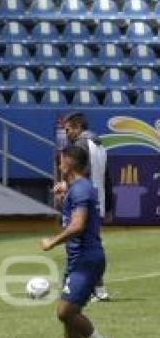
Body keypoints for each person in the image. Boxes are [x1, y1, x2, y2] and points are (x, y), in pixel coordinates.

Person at [42, 146, 115, 338]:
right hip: (76, 258)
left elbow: (78, 225)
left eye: (61, 161)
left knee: (65, 312)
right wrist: (64, 194)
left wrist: (52, 242)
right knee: (71, 313)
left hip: (87, 259)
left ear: (70, 162)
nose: (58, 164)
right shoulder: (77, 188)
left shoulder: (81, 189)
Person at [55, 112, 111, 301]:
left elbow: (78, 172)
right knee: (90, 243)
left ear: (78, 127)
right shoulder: (99, 144)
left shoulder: (80, 145)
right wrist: (108, 204)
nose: (66, 133)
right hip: (97, 198)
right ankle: (98, 289)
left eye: (68, 129)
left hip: (82, 200)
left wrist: (64, 186)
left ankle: (78, 289)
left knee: (78, 245)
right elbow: (106, 175)